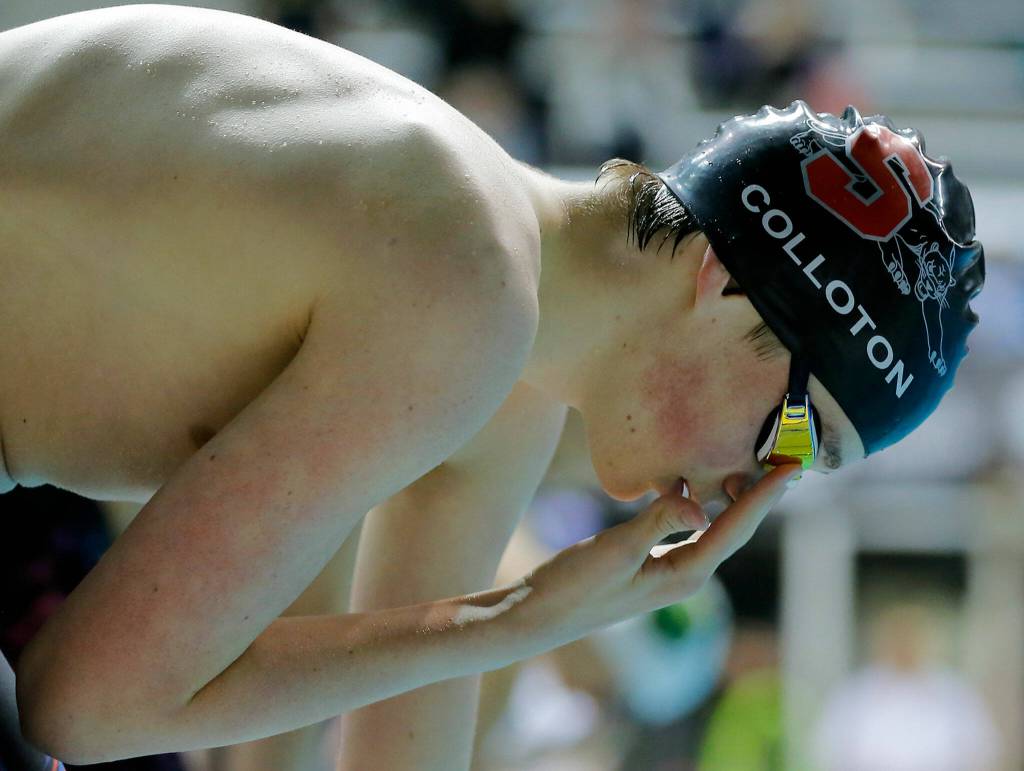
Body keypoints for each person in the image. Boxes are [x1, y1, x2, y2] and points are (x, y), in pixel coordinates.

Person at [0, 5, 982, 770]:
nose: (756, 487)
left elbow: (345, 736)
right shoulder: (464, 281)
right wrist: (521, 621)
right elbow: (84, 707)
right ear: (722, 282)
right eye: (797, 434)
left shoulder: (505, 344)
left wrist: (494, 635)